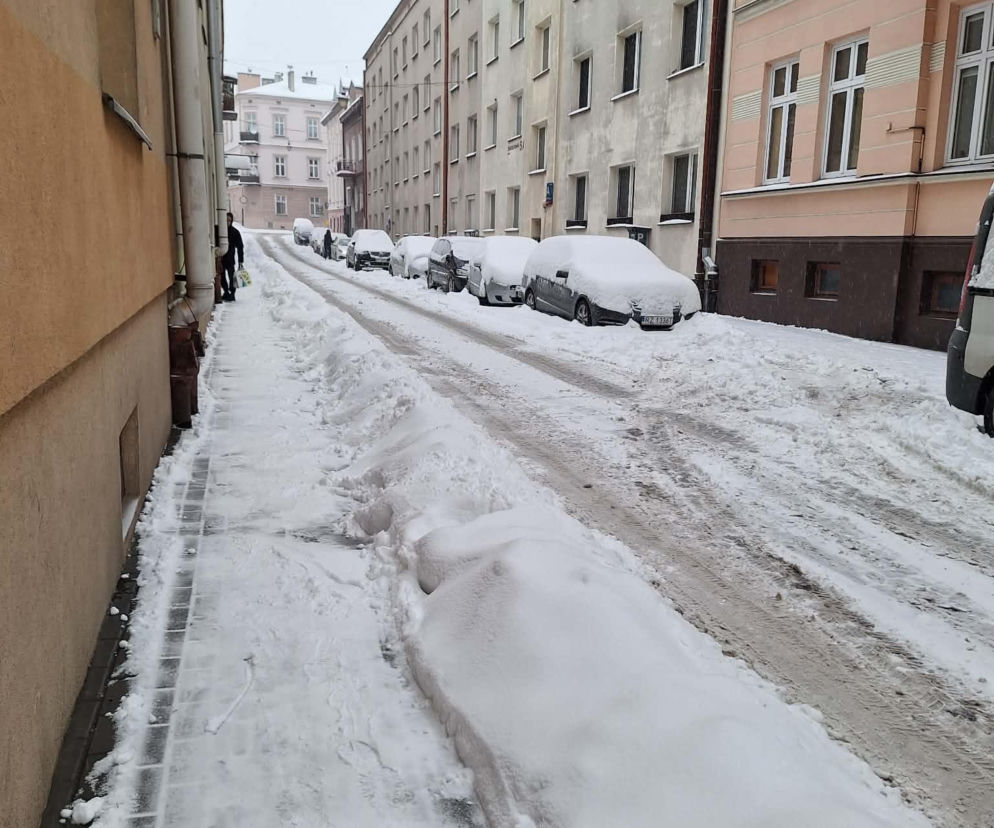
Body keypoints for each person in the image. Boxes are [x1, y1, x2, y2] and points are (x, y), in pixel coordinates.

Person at [222, 212, 244, 301]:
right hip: (220, 259)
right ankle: (226, 292)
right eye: (226, 220)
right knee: (221, 277)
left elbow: (240, 247)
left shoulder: (235, 232)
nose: (227, 222)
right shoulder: (218, 230)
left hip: (230, 259)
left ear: (231, 221)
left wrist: (240, 260)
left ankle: (232, 294)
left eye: (229, 220)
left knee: (232, 277)